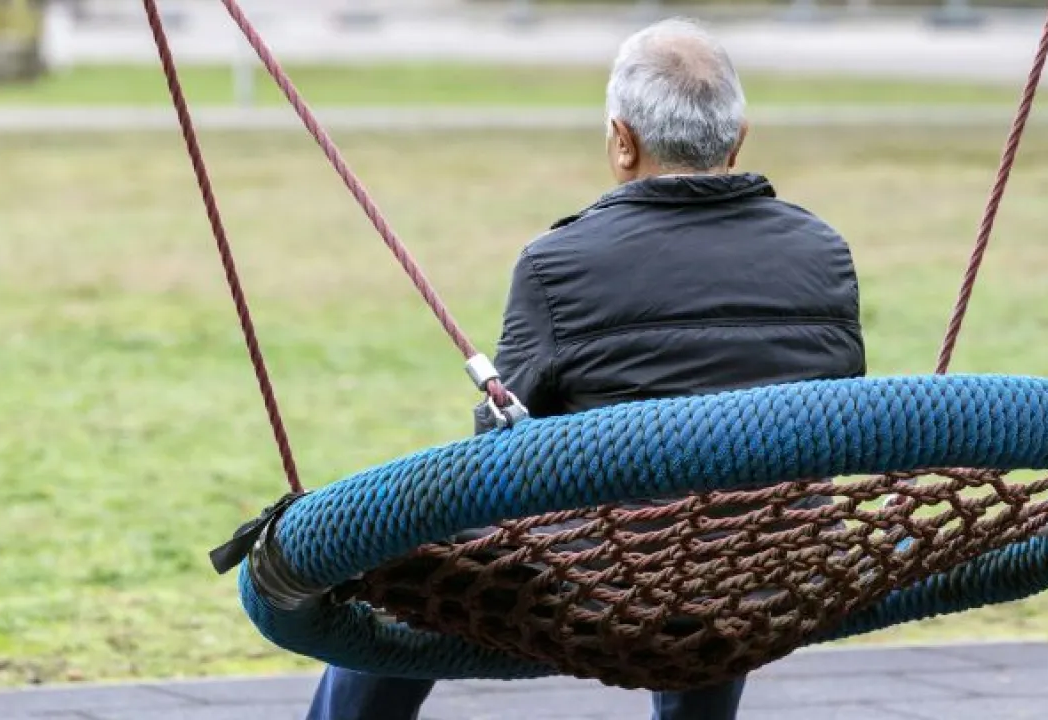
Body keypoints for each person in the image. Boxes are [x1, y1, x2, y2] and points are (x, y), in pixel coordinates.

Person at [305, 16, 865, 720]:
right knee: (734, 513)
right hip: (773, 569)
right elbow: (837, 407)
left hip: (612, 576)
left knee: (408, 558)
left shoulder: (557, 262)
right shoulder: (824, 251)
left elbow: (500, 455)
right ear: (738, 138)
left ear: (622, 140)